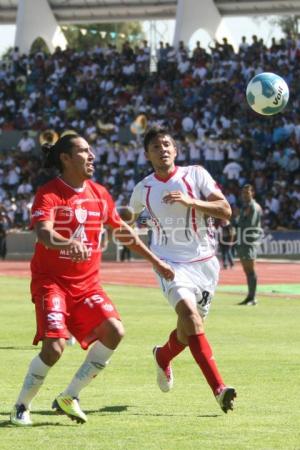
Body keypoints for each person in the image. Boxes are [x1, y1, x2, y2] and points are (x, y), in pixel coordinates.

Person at [10, 134, 174, 427]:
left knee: (114, 331)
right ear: (66, 158)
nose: (92, 156)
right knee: (54, 348)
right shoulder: (49, 194)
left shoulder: (99, 193)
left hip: (87, 285)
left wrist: (156, 261)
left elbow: (123, 232)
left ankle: (69, 396)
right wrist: (66, 243)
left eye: (91, 150)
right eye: (84, 151)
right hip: (52, 282)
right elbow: (44, 234)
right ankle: (22, 405)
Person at [128, 126, 236, 413]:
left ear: (175, 150)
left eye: (166, 144)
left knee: (188, 332)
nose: (162, 149)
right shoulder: (143, 189)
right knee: (190, 317)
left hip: (205, 264)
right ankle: (219, 389)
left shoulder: (197, 175)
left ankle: (162, 356)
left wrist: (191, 202)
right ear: (147, 155)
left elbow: (225, 210)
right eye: (155, 147)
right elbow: (127, 219)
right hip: (170, 265)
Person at [236, 184, 263, 306]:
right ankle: (249, 296)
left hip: (249, 241)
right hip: (242, 241)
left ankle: (253, 298)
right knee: (247, 270)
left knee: (250, 270)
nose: (245, 195)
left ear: (252, 193)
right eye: (243, 192)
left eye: (247, 192)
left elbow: (249, 225)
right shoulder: (245, 207)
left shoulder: (253, 207)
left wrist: (237, 221)